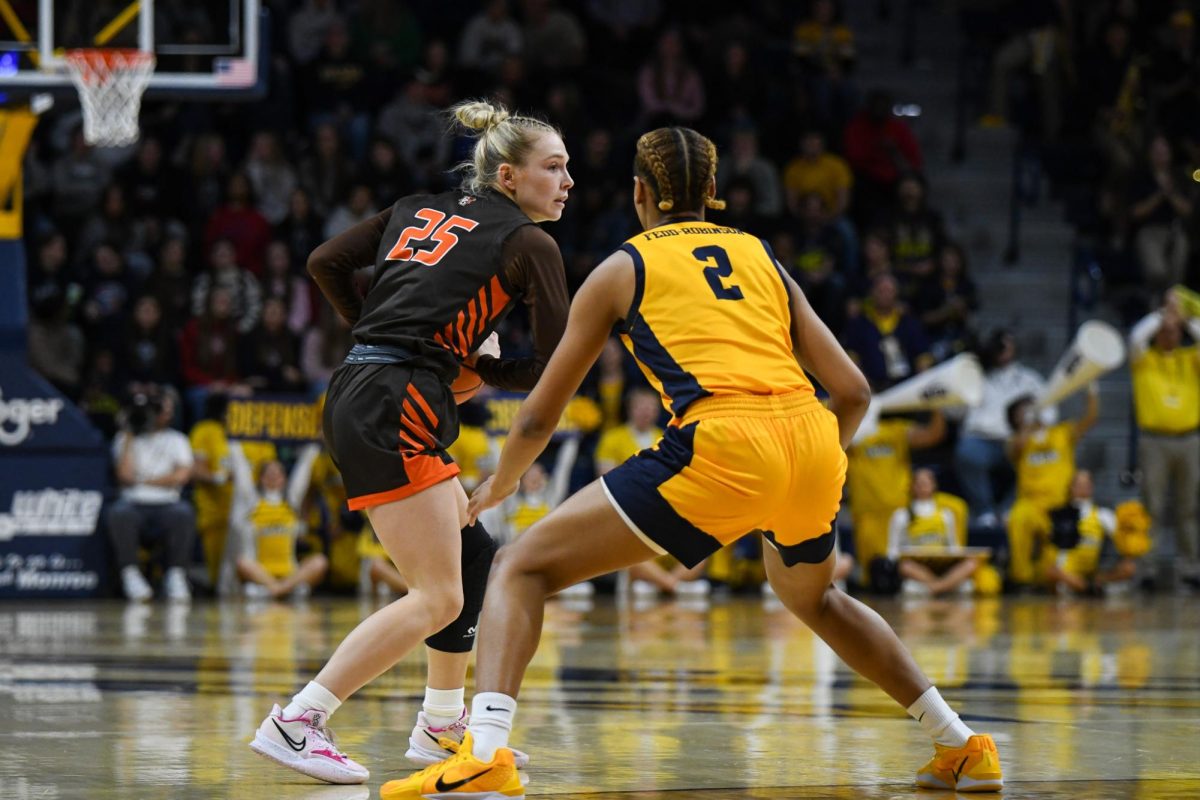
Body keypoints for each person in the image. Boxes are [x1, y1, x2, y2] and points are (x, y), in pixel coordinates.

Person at [383, 127, 1003, 799]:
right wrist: (803, 463)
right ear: (713, 194)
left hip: (721, 441)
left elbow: (537, 415)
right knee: (817, 598)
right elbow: (852, 390)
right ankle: (961, 746)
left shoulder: (624, 267)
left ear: (639, 193)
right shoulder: (761, 254)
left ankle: (486, 753)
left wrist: (502, 481)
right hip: (813, 437)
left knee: (519, 568)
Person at [249, 100, 572, 784]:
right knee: (439, 597)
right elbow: (558, 364)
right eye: (554, 167)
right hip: (395, 400)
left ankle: (439, 723)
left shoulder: (416, 207)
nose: (568, 180)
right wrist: (486, 369)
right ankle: (298, 721)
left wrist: (384, 333)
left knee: (474, 556)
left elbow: (324, 260)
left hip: (365, 386)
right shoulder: (528, 244)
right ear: (510, 178)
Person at [1129, 293, 1200, 585]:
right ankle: (1148, 569)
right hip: (1154, 441)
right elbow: (1135, 337)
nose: (1168, 333)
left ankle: (1191, 568)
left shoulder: (1190, 358)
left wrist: (1185, 317)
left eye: (1173, 330)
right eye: (1163, 330)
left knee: (1189, 508)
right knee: (1152, 507)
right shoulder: (1144, 359)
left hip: (1190, 440)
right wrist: (1163, 313)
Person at [106, 386, 195, 603]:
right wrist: (129, 431)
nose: (160, 414)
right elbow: (124, 476)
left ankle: (176, 575)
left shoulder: (177, 440)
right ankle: (130, 575)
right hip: (133, 503)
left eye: (164, 409)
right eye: (155, 409)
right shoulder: (124, 439)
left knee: (183, 513)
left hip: (168, 503)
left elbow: (181, 476)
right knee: (118, 513)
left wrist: (144, 481)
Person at [1004, 387, 1098, 587]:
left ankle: (1042, 579)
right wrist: (1027, 425)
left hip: (1059, 506)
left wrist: (1091, 392)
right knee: (1018, 519)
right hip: (1030, 504)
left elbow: (1089, 419)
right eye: (1025, 411)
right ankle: (1020, 579)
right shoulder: (1017, 440)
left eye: (1032, 409)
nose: (1032, 413)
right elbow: (1016, 448)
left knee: (1053, 557)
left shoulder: (1062, 433)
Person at [230, 441, 329, 600]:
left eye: (278, 473)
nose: (274, 477)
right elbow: (241, 471)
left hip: (289, 573)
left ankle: (276, 590)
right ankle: (282, 589)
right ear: (261, 478)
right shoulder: (253, 504)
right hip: (261, 574)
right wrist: (232, 441)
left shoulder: (290, 503)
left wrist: (314, 442)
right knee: (242, 562)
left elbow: (304, 468)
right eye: (269, 473)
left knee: (320, 562)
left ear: (284, 478)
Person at [887, 469, 979, 597]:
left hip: (943, 564)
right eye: (919, 483)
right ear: (912, 486)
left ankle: (935, 587)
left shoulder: (945, 515)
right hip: (919, 566)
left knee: (971, 564)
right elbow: (892, 551)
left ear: (934, 485)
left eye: (926, 483)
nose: (923, 487)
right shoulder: (902, 515)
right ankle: (946, 586)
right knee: (905, 566)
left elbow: (953, 546)